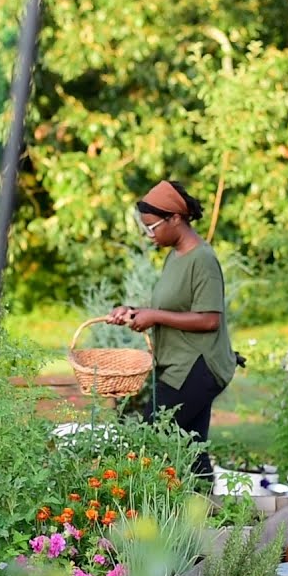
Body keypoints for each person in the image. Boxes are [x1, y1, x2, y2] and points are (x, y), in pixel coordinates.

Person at [108, 180, 237, 481]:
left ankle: (155, 514)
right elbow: (172, 308)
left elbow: (209, 319)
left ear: (176, 218)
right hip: (178, 364)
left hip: (198, 366)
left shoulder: (202, 260)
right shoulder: (174, 257)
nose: (149, 234)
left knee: (153, 439)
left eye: (152, 227)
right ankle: (208, 518)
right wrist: (134, 312)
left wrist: (155, 316)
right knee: (191, 447)